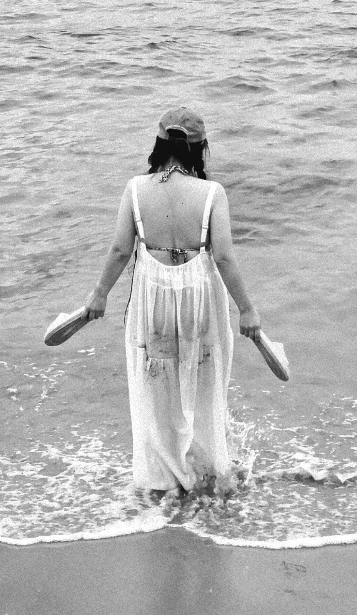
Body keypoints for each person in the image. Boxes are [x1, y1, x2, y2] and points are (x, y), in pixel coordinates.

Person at [83, 107, 261, 494]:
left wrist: (100, 294)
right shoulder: (212, 193)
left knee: (157, 387)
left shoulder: (136, 189)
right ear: (200, 149)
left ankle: (164, 481)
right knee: (204, 384)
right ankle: (208, 473)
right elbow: (224, 257)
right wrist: (247, 309)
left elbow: (120, 251)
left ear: (159, 144)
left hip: (153, 299)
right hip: (200, 299)